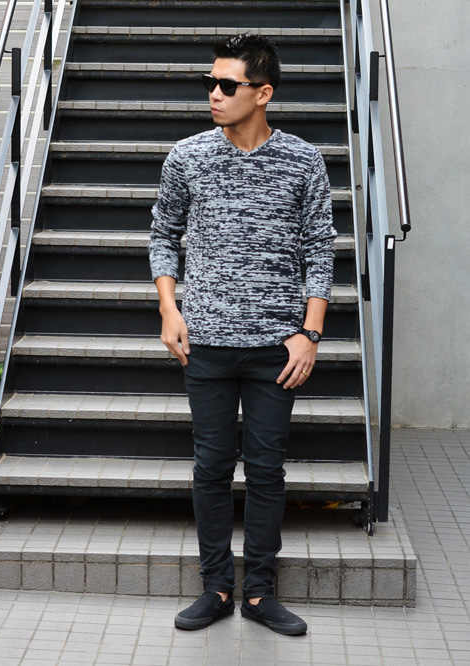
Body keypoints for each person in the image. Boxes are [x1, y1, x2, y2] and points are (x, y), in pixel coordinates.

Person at [149, 33, 336, 636]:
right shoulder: (187, 156)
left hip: (276, 348)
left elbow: (320, 250)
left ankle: (258, 592)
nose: (214, 93)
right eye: (210, 82)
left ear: (263, 93)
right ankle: (217, 587)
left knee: (266, 470)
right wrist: (169, 310)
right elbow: (162, 235)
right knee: (210, 467)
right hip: (204, 340)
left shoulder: (303, 160)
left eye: (227, 85)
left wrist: (309, 333)